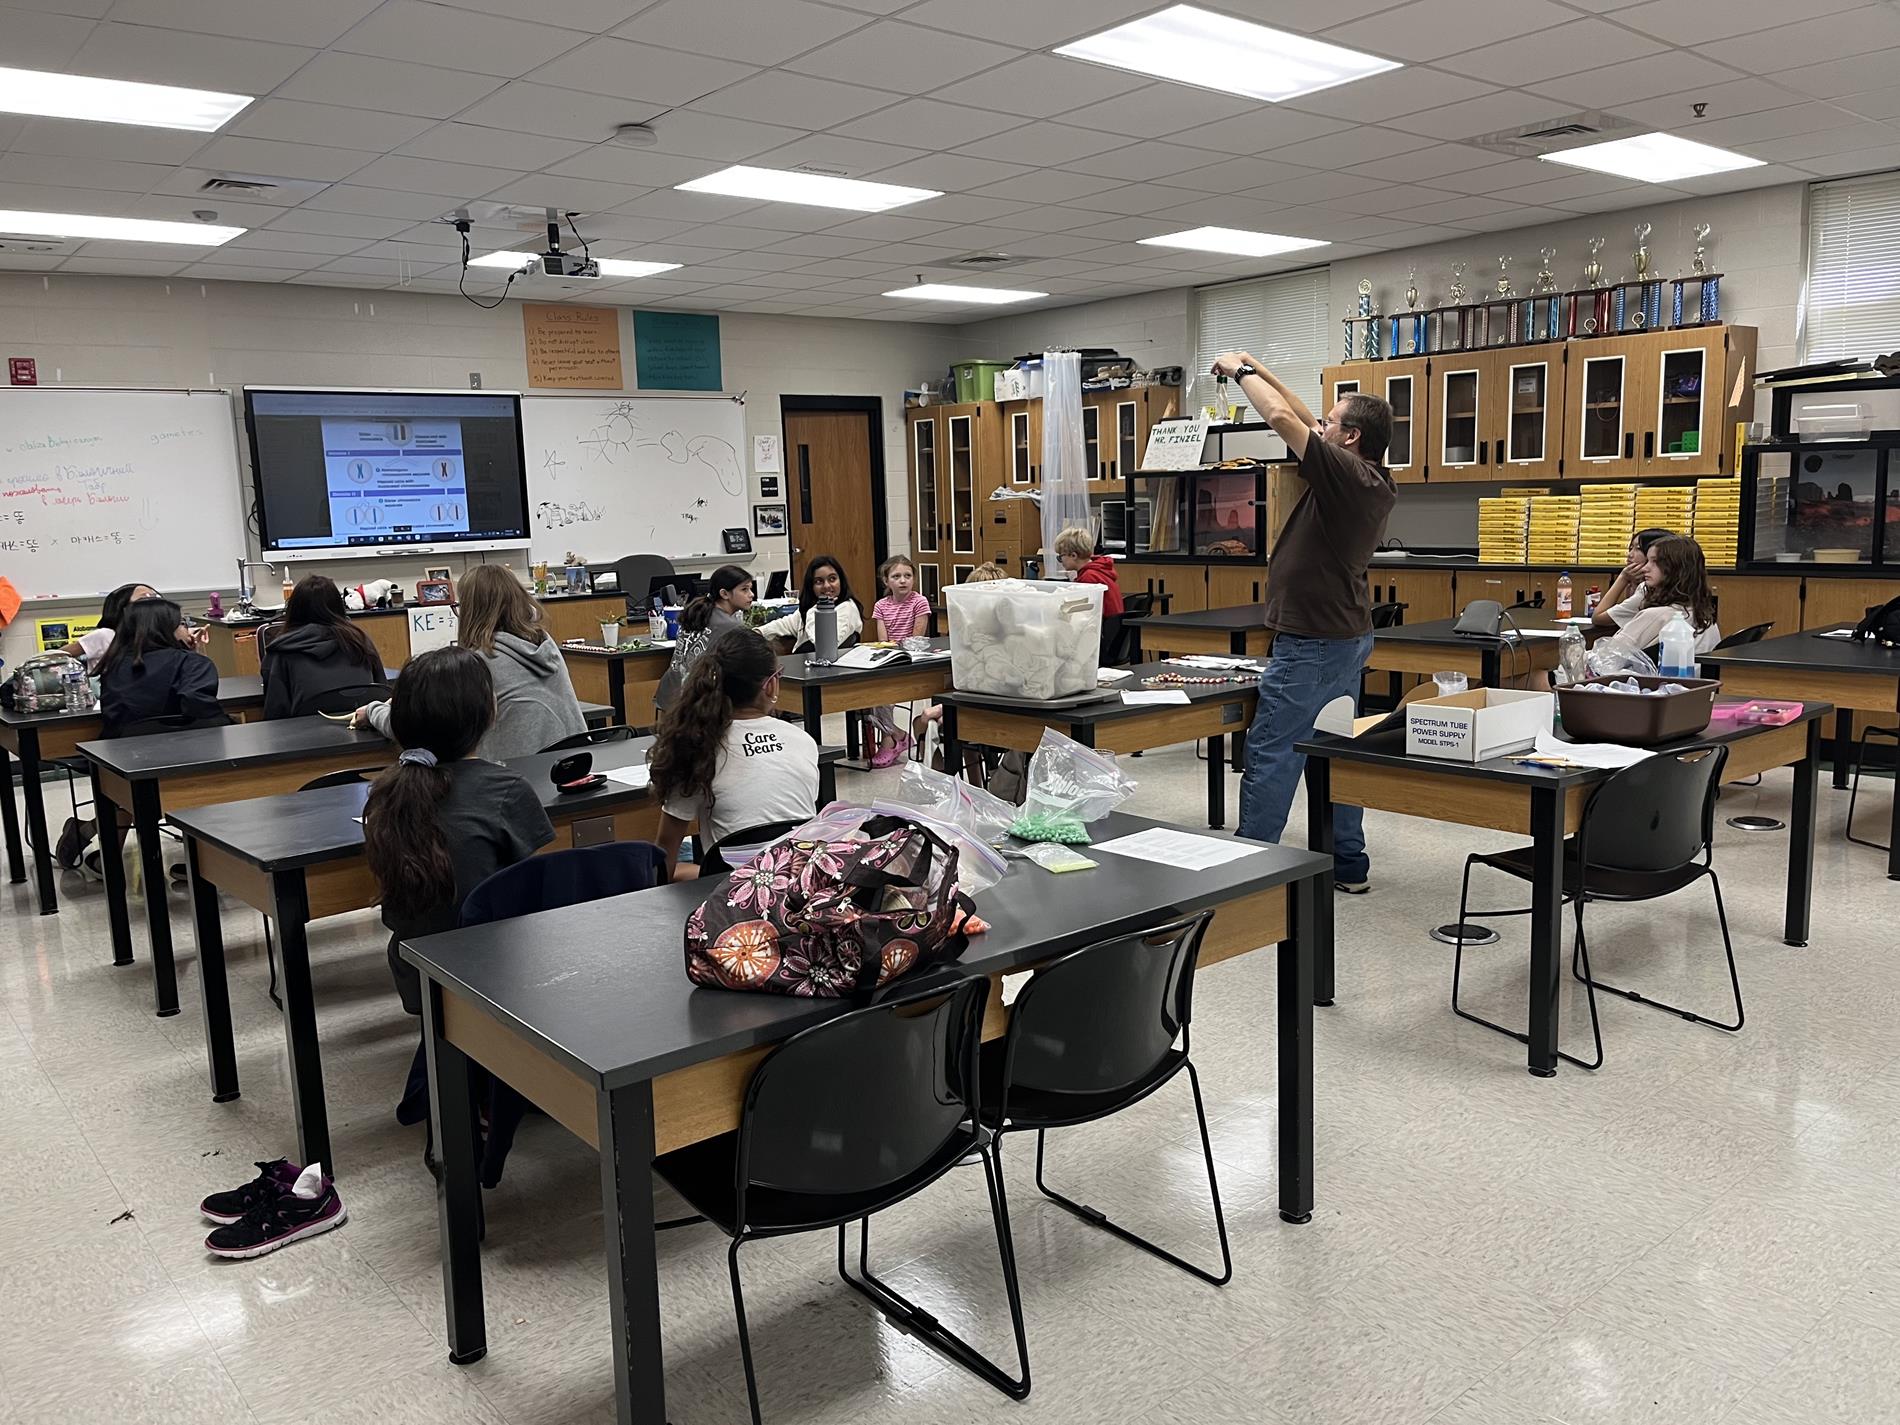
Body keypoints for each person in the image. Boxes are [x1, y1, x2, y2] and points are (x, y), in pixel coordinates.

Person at [1212, 351, 1396, 894]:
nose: (1324, 425)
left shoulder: (1348, 477)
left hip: (1313, 643)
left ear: (1352, 437)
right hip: (1341, 638)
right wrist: (1261, 367)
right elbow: (1302, 417)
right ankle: (1347, 863)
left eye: (1334, 423)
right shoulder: (1363, 473)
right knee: (1336, 747)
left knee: (1274, 749)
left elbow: (1283, 421)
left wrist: (1238, 373)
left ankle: (1251, 872)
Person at [362, 646, 554, 1017]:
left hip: (416, 970)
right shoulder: (507, 791)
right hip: (495, 979)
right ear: (488, 713)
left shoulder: (386, 796)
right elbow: (542, 899)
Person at [354, 565, 586, 758]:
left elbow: (415, 728)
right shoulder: (545, 645)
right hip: (576, 767)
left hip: (519, 779)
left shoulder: (478, 662)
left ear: (471, 611)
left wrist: (373, 712)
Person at [649, 628, 820, 880]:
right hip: (799, 884)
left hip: (732, 897)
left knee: (683, 872)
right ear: (770, 684)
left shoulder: (698, 748)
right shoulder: (803, 741)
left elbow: (666, 853)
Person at [96, 596, 228, 738]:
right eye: (183, 623)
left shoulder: (114, 664)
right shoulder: (191, 663)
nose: (188, 630)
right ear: (167, 628)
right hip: (182, 747)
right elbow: (202, 711)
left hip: (121, 749)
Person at [260, 575, 389, 719]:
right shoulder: (360, 640)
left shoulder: (281, 650)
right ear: (338, 606)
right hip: (363, 729)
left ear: (294, 609)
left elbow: (276, 713)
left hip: (303, 736)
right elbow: (382, 692)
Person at [654, 563, 755, 715]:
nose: (751, 594)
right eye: (744, 589)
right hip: (697, 700)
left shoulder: (696, 613)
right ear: (724, 594)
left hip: (669, 694)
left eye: (750, 588)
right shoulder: (731, 626)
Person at [1604, 534, 1723, 656]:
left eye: (1655, 562)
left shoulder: (1656, 616)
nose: (1645, 568)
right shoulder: (1706, 618)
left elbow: (1606, 658)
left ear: (1676, 569)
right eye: (1647, 561)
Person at [867, 555, 933, 767]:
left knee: (882, 695)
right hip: (891, 659)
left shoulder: (919, 602)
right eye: (896, 576)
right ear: (886, 581)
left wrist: (896, 648)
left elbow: (916, 638)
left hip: (912, 662)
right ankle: (898, 734)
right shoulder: (880, 606)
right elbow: (883, 641)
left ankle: (888, 741)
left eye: (908, 575)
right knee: (870, 694)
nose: (903, 580)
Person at [757, 555, 863, 653]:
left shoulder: (847, 608)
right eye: (819, 581)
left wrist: (818, 609)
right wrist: (757, 633)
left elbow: (823, 644)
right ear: (811, 586)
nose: (826, 586)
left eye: (832, 579)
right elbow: (786, 624)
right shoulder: (810, 608)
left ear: (841, 581)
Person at [1591, 527, 1677, 631]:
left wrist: (1623, 577)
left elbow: (1598, 617)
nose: (1630, 555)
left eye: (1638, 549)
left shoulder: (1648, 590)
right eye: (1631, 548)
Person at [1054, 526, 1124, 615]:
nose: (1060, 560)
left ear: (1073, 556)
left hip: (1103, 626)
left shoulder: (1088, 577)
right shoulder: (1099, 570)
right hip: (1113, 625)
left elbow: (1084, 613)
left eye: (1061, 556)